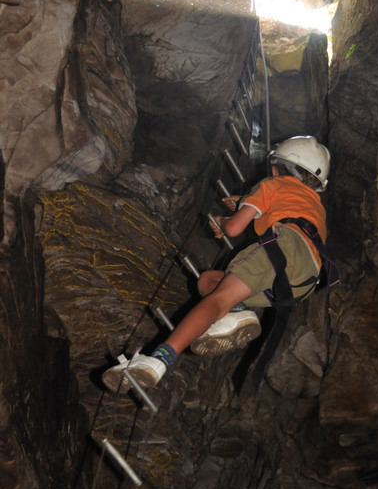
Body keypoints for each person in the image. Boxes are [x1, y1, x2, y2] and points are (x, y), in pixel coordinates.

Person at [102, 136, 330, 393]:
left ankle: (158, 359)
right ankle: (236, 312)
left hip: (283, 250)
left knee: (216, 299)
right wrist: (247, 202)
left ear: (277, 167)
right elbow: (289, 212)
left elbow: (234, 228)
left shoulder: (272, 184)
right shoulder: (317, 206)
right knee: (208, 281)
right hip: (304, 281)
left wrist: (224, 221)